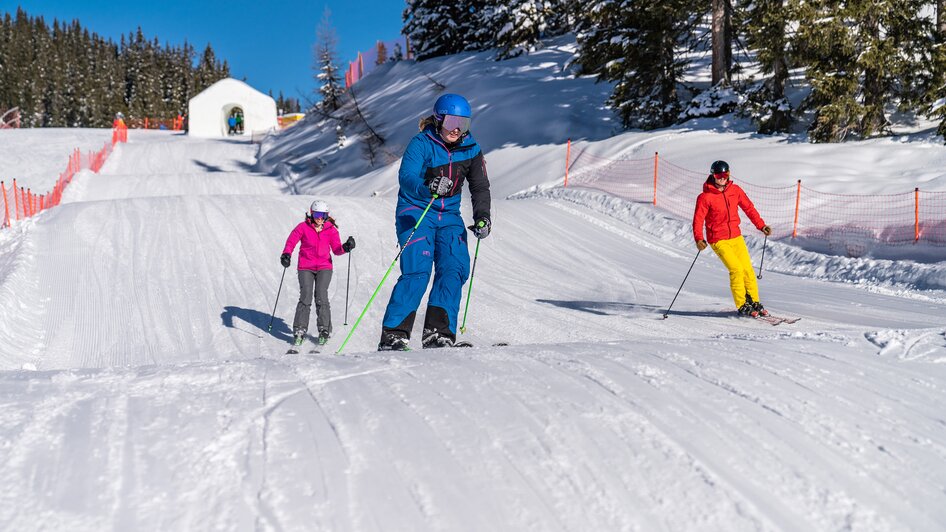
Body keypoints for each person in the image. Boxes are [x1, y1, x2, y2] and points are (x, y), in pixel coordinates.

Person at [378, 93, 491, 351]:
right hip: (416, 211)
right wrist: (428, 186)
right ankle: (393, 336)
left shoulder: (471, 148)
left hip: (449, 217)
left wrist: (482, 217)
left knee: (454, 269)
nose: (456, 129)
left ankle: (437, 334)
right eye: (451, 122)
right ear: (438, 119)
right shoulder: (421, 143)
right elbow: (406, 177)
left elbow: (480, 186)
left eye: (463, 124)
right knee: (418, 270)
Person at [693, 160, 772, 317]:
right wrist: (699, 239)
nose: (722, 178)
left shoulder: (735, 190)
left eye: (725, 174)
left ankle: (754, 300)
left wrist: (761, 225)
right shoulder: (705, 197)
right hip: (718, 239)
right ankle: (742, 304)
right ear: (712, 175)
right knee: (736, 269)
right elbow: (698, 219)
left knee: (747, 270)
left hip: (736, 237)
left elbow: (749, 208)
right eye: (718, 175)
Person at [281, 200, 356, 346]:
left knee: (321, 295)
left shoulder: (331, 230)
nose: (319, 218)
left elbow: (336, 250)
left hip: (324, 267)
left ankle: (324, 329)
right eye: (316, 214)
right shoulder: (303, 227)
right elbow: (291, 241)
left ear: (327, 215)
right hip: (305, 267)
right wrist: (286, 254)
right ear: (311, 213)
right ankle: (300, 330)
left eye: (322, 215)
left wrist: (346, 247)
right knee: (306, 295)